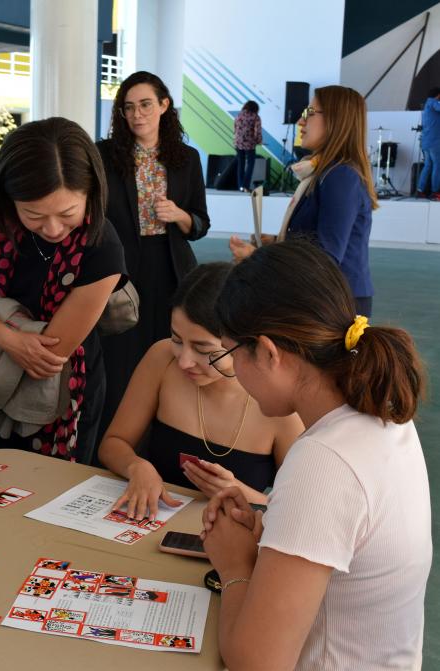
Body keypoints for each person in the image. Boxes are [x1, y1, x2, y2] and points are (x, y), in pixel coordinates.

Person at [200, 241, 430, 671]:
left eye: (228, 355)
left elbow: (257, 670)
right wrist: (274, 532)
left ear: (267, 352)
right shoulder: (381, 411)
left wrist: (233, 564)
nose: (233, 373)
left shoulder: (324, 462)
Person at [0, 117, 126, 464]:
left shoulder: (103, 248)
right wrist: (9, 337)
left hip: (66, 389)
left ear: (90, 192)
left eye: (67, 213)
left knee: (55, 491)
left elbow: (48, 356)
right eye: (33, 214)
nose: (52, 227)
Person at [98, 263, 302, 519]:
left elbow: (301, 510)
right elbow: (112, 444)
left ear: (246, 343)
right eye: (176, 339)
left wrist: (239, 492)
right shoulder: (162, 359)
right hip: (151, 520)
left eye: (204, 350)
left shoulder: (279, 405)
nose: (184, 360)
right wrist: (136, 466)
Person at [96, 71, 210, 448]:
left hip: (171, 267)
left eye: (145, 104)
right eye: (128, 107)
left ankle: (165, 439)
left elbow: (200, 222)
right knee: (120, 355)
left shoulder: (186, 159)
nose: (137, 114)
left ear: (164, 106)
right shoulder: (106, 155)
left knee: (171, 355)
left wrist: (180, 216)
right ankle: (112, 441)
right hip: (122, 268)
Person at [230, 85, 377, 316]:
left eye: (309, 113)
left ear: (335, 120)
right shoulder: (327, 172)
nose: (300, 121)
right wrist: (279, 242)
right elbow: (317, 239)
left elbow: (325, 257)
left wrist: (257, 258)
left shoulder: (340, 175)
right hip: (327, 297)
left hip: (336, 304)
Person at [416, 86, 440, 199]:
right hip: (434, 141)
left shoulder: (427, 104)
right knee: (437, 165)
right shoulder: (433, 102)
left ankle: (420, 190)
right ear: (438, 95)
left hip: (426, 141)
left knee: (428, 165)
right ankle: (435, 192)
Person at [233, 100, 262, 192]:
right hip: (250, 144)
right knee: (250, 164)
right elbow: (258, 131)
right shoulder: (255, 116)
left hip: (238, 142)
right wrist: (259, 141)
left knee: (240, 164)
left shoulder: (239, 115)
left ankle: (240, 186)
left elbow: (235, 128)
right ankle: (245, 186)